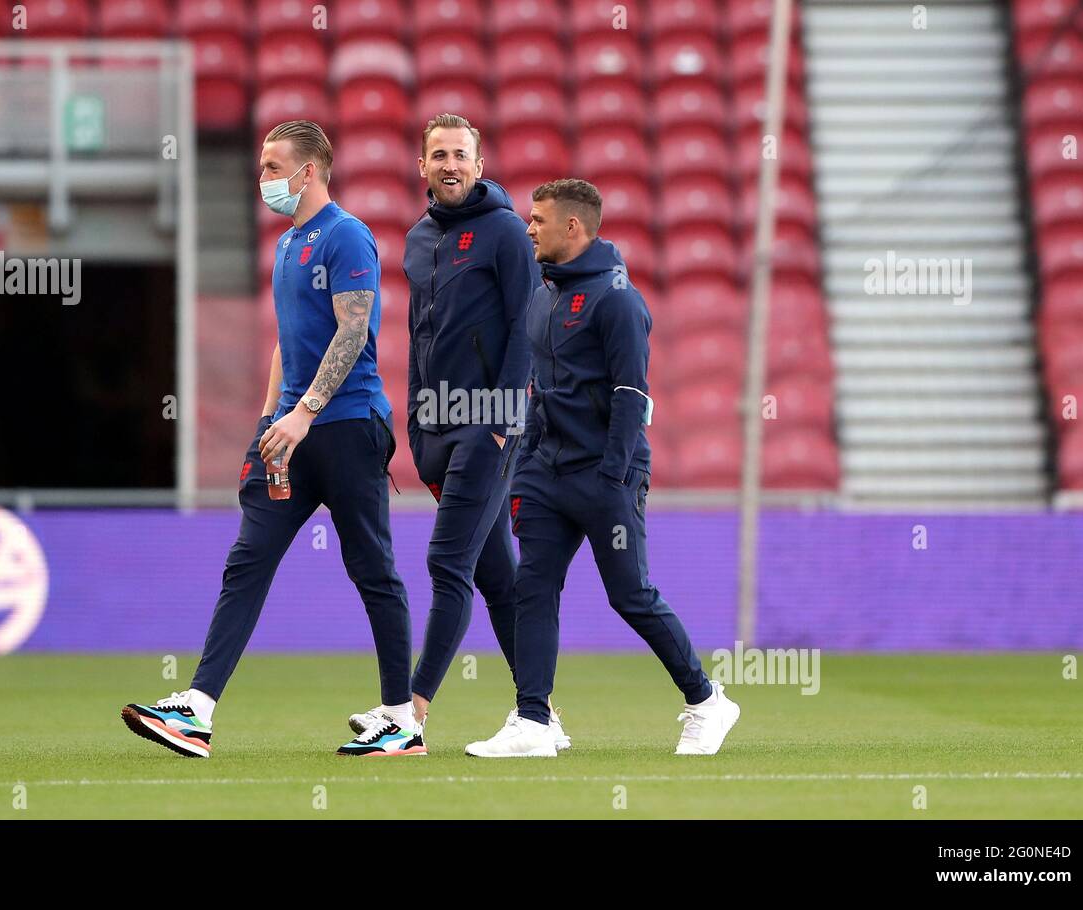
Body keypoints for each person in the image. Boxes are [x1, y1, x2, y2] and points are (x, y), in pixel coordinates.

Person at [122, 121, 422, 759]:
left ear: (308, 171)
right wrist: (266, 422)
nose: (264, 178)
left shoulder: (348, 236)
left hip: (346, 428)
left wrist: (306, 412)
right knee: (247, 562)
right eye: (262, 166)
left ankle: (401, 718)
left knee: (372, 570)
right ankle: (197, 711)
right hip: (288, 432)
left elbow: (353, 330)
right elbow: (293, 341)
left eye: (272, 166)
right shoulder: (288, 246)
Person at [465, 179, 741, 758]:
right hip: (547, 474)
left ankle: (706, 701)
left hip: (605, 475)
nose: (528, 227)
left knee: (630, 594)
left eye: (537, 219)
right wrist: (528, 466)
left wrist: (611, 476)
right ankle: (534, 722)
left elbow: (629, 396)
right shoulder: (543, 296)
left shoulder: (618, 300)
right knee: (532, 587)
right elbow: (541, 390)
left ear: (573, 227)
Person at [347, 113, 570, 751]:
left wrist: (502, 419)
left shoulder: (504, 231)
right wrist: (418, 429)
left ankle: (410, 714)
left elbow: (531, 324)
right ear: (421, 166)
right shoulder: (419, 239)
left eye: (460, 155)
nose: (449, 165)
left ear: (479, 164)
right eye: (438, 154)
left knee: (448, 562)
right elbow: (420, 341)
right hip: (439, 428)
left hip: (490, 426)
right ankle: (541, 714)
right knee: (497, 579)